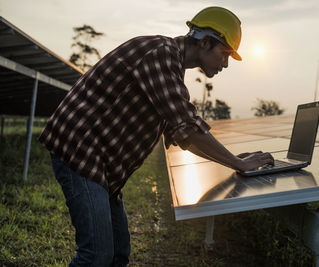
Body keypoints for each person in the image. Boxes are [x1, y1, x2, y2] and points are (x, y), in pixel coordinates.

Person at [39, 6, 274, 266]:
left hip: (102, 164)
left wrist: (231, 159)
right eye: (225, 53)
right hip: (81, 150)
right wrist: (237, 163)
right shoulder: (160, 54)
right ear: (206, 42)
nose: (226, 64)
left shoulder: (172, 67)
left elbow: (182, 135)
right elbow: (188, 126)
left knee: (118, 254)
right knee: (96, 256)